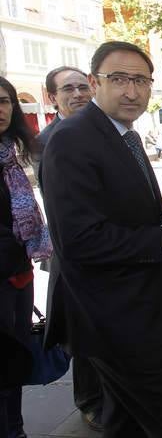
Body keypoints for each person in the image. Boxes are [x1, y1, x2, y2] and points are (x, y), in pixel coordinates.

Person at [41, 41, 162, 437]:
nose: (131, 91)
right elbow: (80, 241)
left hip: (134, 312)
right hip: (117, 320)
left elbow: (124, 213)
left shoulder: (123, 135)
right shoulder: (72, 140)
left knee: (126, 422)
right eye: (118, 79)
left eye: (140, 81)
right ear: (93, 82)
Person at [37, 66, 104, 431]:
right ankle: (90, 402)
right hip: (76, 255)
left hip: (103, 252)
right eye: (68, 89)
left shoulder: (96, 132)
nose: (78, 94)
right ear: (52, 97)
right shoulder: (54, 140)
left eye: (83, 86)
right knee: (84, 335)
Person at [1, 76, 52, 438]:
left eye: (4, 101)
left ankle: (15, 429)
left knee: (15, 360)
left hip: (18, 275)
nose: (0, 110)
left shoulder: (9, 155)